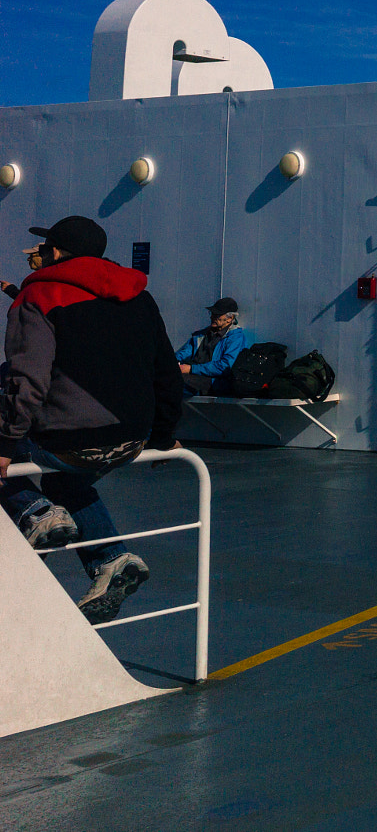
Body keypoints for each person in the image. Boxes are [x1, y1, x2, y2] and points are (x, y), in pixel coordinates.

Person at [1, 215, 183, 623]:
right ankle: (110, 559)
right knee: (66, 480)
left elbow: (27, 379)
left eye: (43, 247)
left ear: (57, 252)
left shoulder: (39, 296)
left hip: (71, 441)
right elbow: (167, 372)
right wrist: (162, 436)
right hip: (131, 439)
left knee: (32, 457)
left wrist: (5, 445)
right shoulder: (137, 295)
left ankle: (34, 511)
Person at [176, 297, 249, 393]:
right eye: (212, 314)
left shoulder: (235, 338)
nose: (212, 317)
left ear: (230, 319)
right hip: (195, 376)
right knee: (166, 377)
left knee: (175, 381)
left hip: (215, 382)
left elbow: (225, 367)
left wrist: (191, 369)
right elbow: (184, 352)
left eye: (217, 315)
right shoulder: (202, 335)